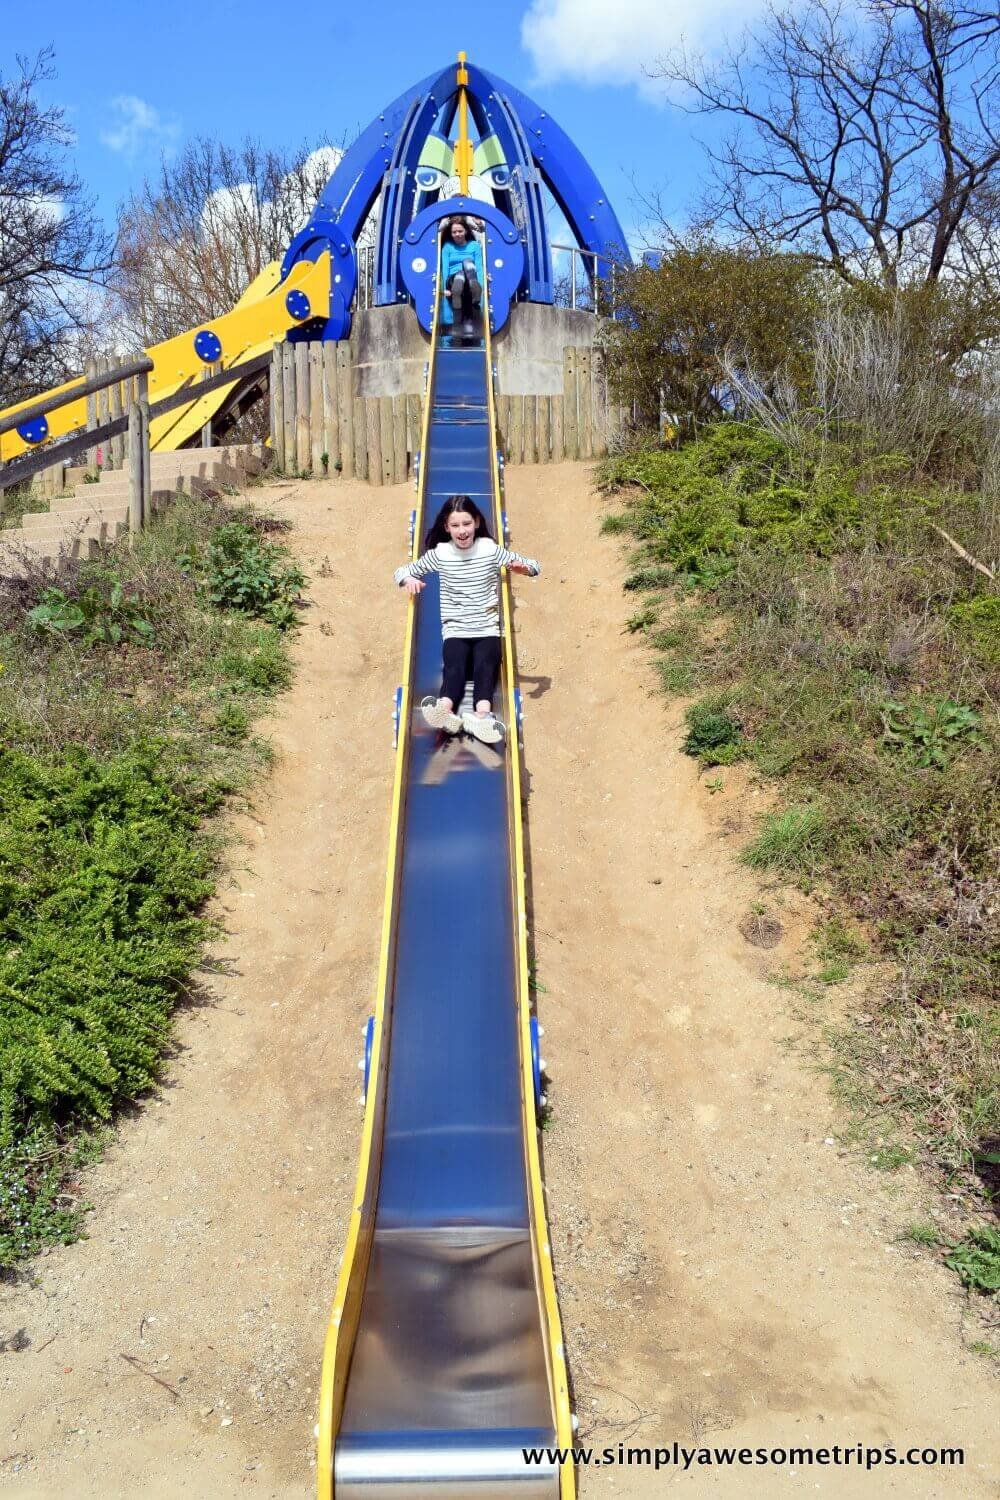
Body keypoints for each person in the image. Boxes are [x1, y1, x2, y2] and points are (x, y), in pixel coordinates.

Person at [393, 495, 540, 744]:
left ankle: (482, 714)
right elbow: (401, 570)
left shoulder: (490, 550)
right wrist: (409, 580)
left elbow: (534, 564)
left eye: (467, 524)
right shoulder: (441, 553)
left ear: (478, 523)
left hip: (487, 627)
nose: (462, 531)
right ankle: (445, 708)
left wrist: (522, 568)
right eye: (455, 525)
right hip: (456, 628)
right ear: (446, 528)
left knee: (486, 665)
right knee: (454, 667)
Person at [440, 217, 483, 334]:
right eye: (454, 232)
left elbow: (479, 268)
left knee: (468, 264)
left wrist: (482, 286)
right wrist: (443, 289)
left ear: (466, 231)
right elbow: (444, 269)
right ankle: (463, 278)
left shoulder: (474, 245)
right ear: (451, 233)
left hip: (469, 281)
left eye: (460, 231)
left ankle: (473, 285)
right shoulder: (447, 247)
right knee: (465, 266)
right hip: (452, 281)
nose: (457, 234)